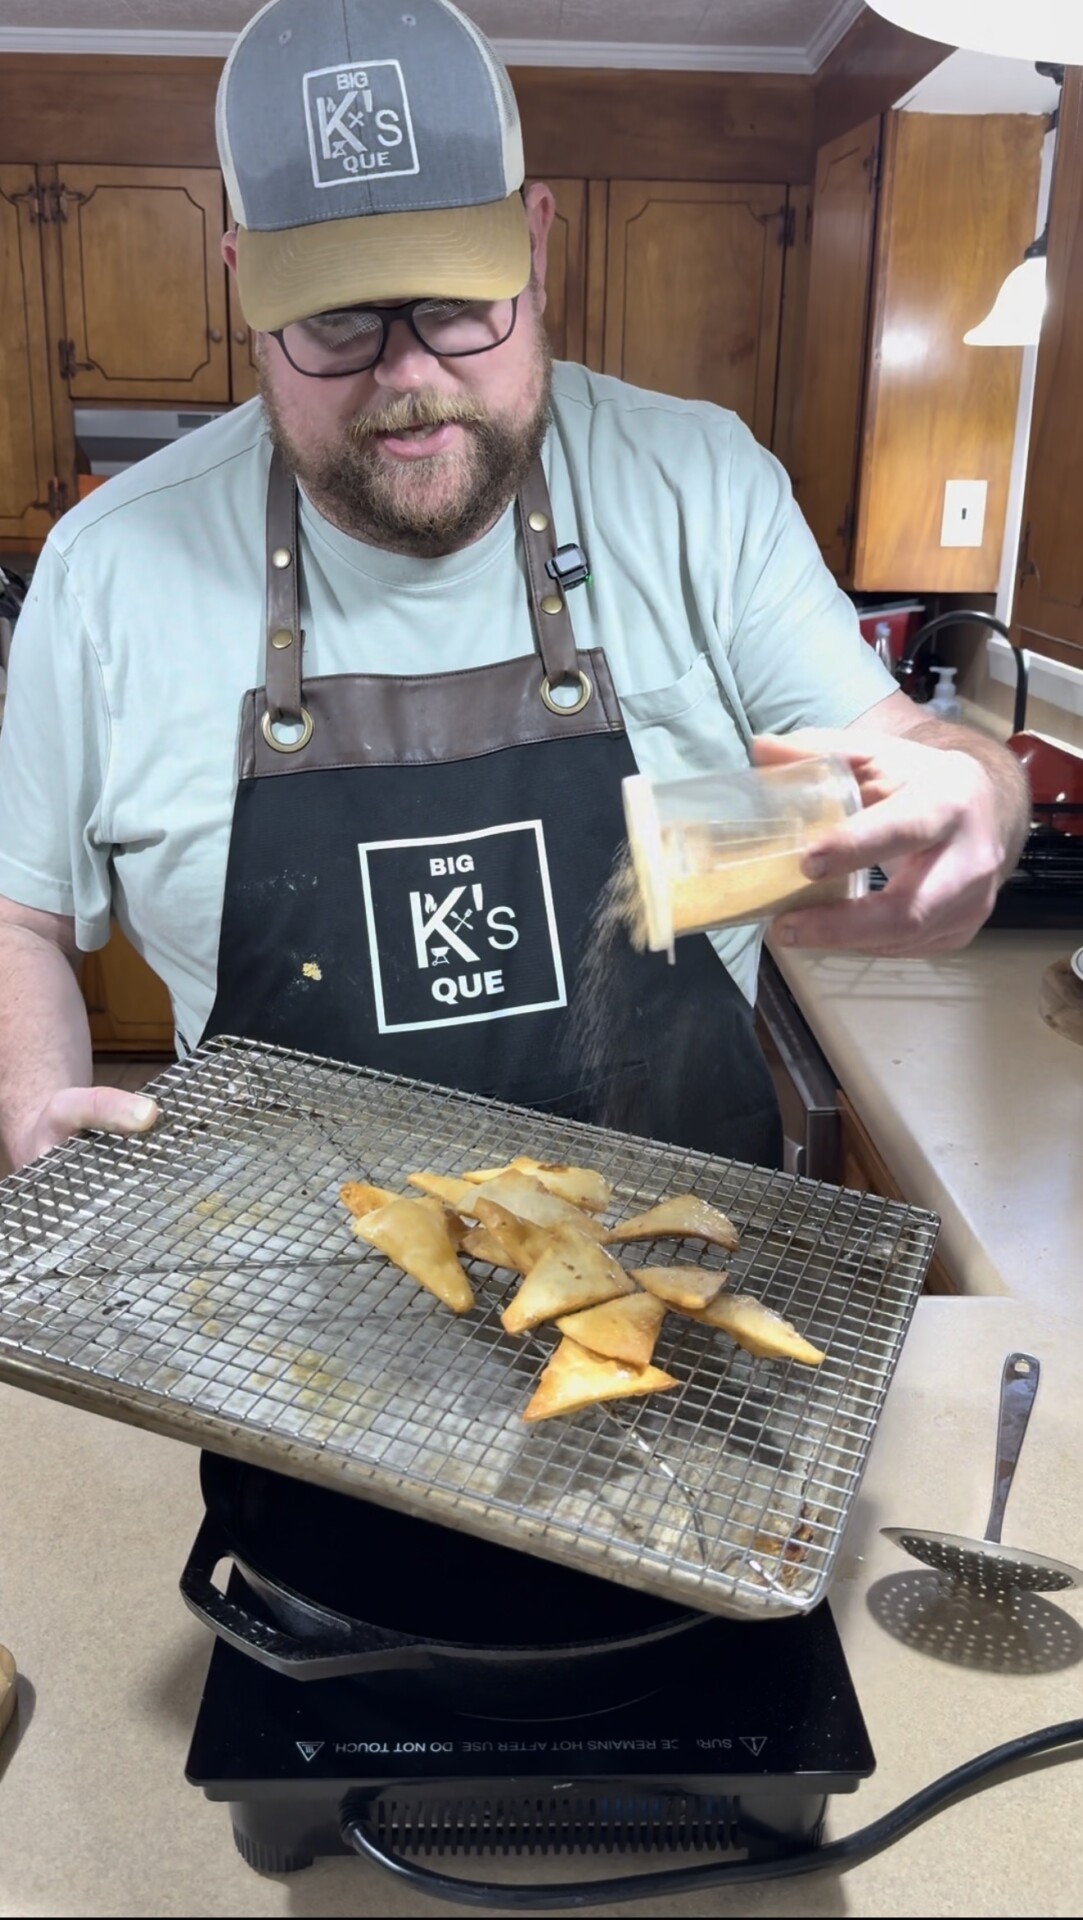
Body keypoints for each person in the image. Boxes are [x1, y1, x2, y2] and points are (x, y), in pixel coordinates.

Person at [0, 0, 1028, 1176]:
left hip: (669, 1277)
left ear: (536, 243)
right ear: (244, 282)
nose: (408, 375)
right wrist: (32, 1104)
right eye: (335, 318)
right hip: (272, 1307)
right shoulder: (104, 575)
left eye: (451, 300)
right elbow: (18, 919)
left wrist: (982, 801)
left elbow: (907, 747)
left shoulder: (699, 486)